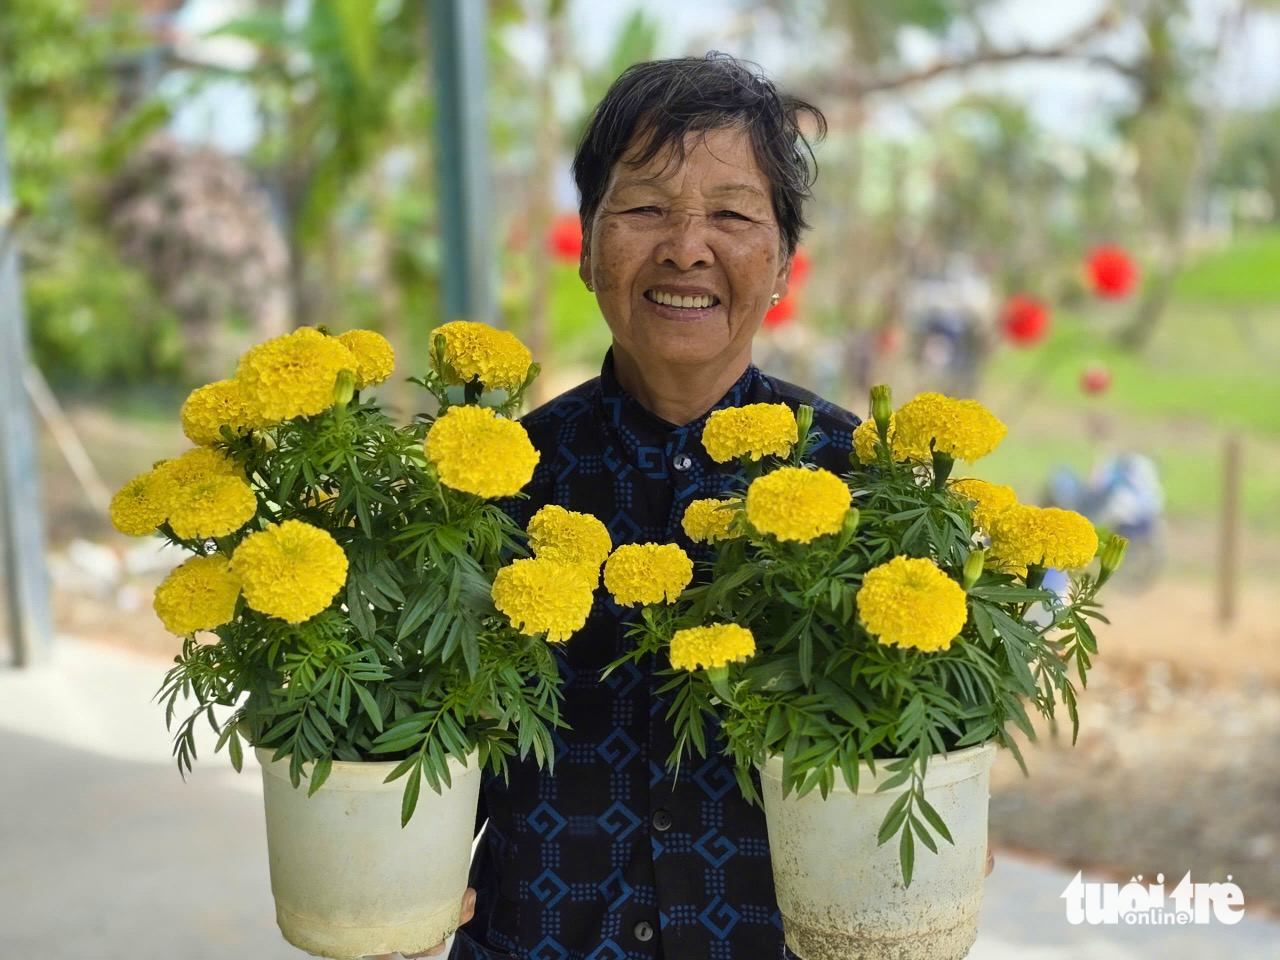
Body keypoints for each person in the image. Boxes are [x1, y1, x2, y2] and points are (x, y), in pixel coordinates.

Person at [403, 53, 989, 960]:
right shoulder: (492, 488)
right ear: (590, 247)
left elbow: (939, 756)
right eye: (644, 208)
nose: (685, 247)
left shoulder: (870, 491)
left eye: (731, 214)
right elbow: (406, 756)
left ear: (783, 262)